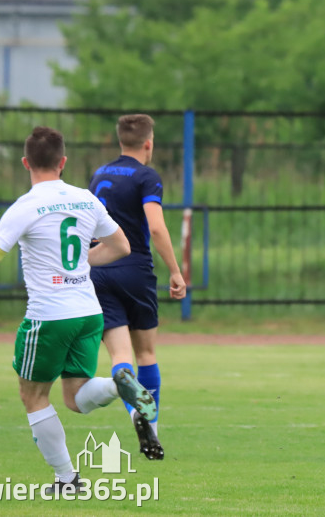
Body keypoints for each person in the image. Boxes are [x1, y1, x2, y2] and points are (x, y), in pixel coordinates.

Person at [0, 127, 157, 495]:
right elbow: (121, 245)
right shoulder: (86, 199)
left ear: (26, 162)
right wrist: (80, 264)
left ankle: (67, 480)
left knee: (33, 396)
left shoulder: (25, 206)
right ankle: (118, 386)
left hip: (50, 316)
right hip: (88, 312)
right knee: (75, 397)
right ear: (63, 162)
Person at [89, 114, 187, 461]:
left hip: (97, 268)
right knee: (146, 353)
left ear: (120, 141)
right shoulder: (147, 176)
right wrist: (175, 272)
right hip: (135, 270)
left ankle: (134, 412)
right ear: (148, 143)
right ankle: (150, 427)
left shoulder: (99, 174)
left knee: (119, 356)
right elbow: (156, 228)